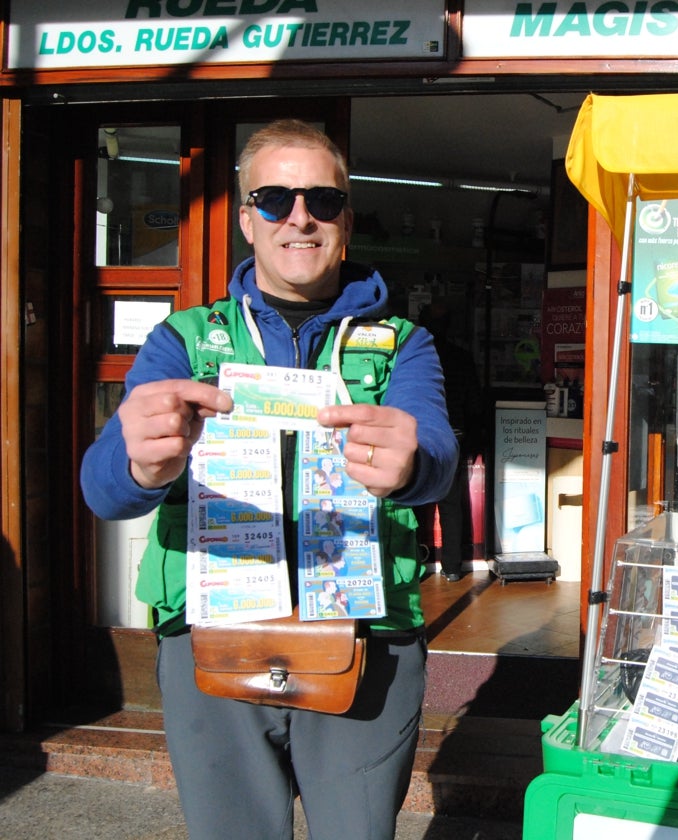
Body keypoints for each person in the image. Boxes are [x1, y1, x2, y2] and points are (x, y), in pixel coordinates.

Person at [79, 119, 457, 840]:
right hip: (215, 637)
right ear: (248, 218)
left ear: (346, 219)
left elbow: (433, 451)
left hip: (366, 637)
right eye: (276, 198)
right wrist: (141, 462)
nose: (301, 217)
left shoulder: (404, 345)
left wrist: (412, 465)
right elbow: (104, 489)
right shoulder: (183, 341)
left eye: (322, 199)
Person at [417, 300, 483, 582]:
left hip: (419, 434)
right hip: (452, 435)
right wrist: (473, 439)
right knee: (451, 504)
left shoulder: (414, 356)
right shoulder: (462, 357)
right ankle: (453, 567)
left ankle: (417, 564)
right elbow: (474, 404)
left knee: (417, 502)